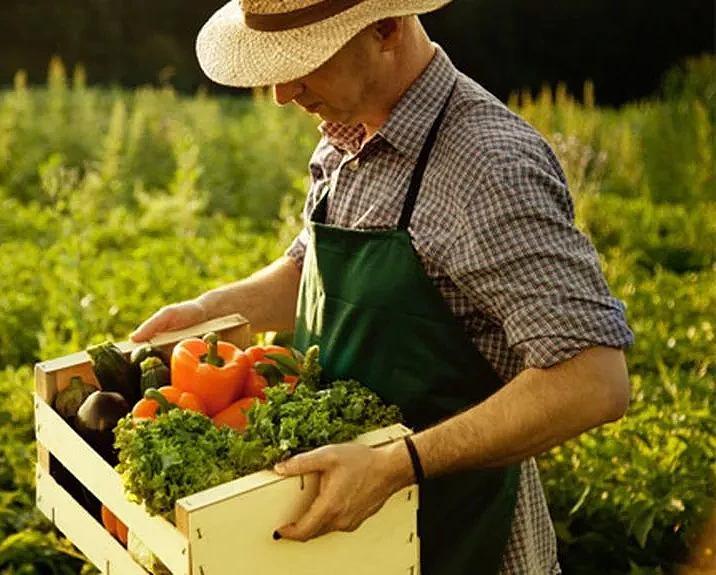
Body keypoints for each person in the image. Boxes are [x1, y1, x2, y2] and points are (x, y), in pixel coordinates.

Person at [129, 0, 634, 573]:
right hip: (349, 539)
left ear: (387, 29)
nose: (281, 92)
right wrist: (214, 307)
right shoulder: (345, 134)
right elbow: (310, 269)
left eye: (305, 59)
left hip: (457, 535)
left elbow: (593, 379)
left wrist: (399, 464)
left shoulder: (488, 167)